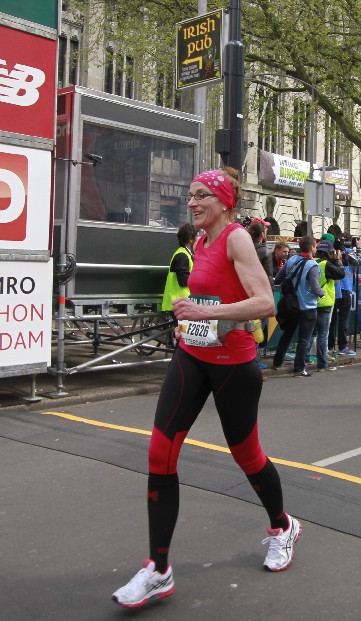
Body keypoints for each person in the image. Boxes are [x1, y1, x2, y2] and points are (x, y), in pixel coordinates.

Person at [113, 168, 300, 608]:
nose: (192, 202)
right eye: (190, 195)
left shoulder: (237, 239)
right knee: (159, 453)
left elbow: (265, 303)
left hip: (234, 365)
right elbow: (210, 301)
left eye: (201, 195)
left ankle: (282, 525)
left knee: (247, 456)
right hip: (192, 358)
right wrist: (191, 318)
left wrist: (204, 312)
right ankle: (158, 569)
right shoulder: (200, 242)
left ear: (224, 201)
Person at [270, 236, 323, 375]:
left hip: (291, 304)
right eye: (315, 247)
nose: (316, 249)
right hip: (308, 306)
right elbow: (315, 286)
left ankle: (277, 362)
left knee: (287, 334)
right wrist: (321, 293)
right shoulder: (313, 265)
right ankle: (299, 368)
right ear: (312, 248)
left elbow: (279, 278)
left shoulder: (292, 260)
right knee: (304, 338)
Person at [313, 240, 346, 371]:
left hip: (309, 302)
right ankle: (322, 364)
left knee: (309, 334)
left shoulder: (311, 261)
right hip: (324, 302)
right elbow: (341, 273)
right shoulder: (325, 264)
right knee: (322, 334)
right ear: (330, 252)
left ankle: (303, 362)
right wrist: (337, 260)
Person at [163, 223, 196, 316]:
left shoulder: (186, 254)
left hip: (182, 303)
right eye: (197, 236)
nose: (199, 238)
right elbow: (183, 281)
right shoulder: (182, 255)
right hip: (179, 303)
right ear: (190, 239)